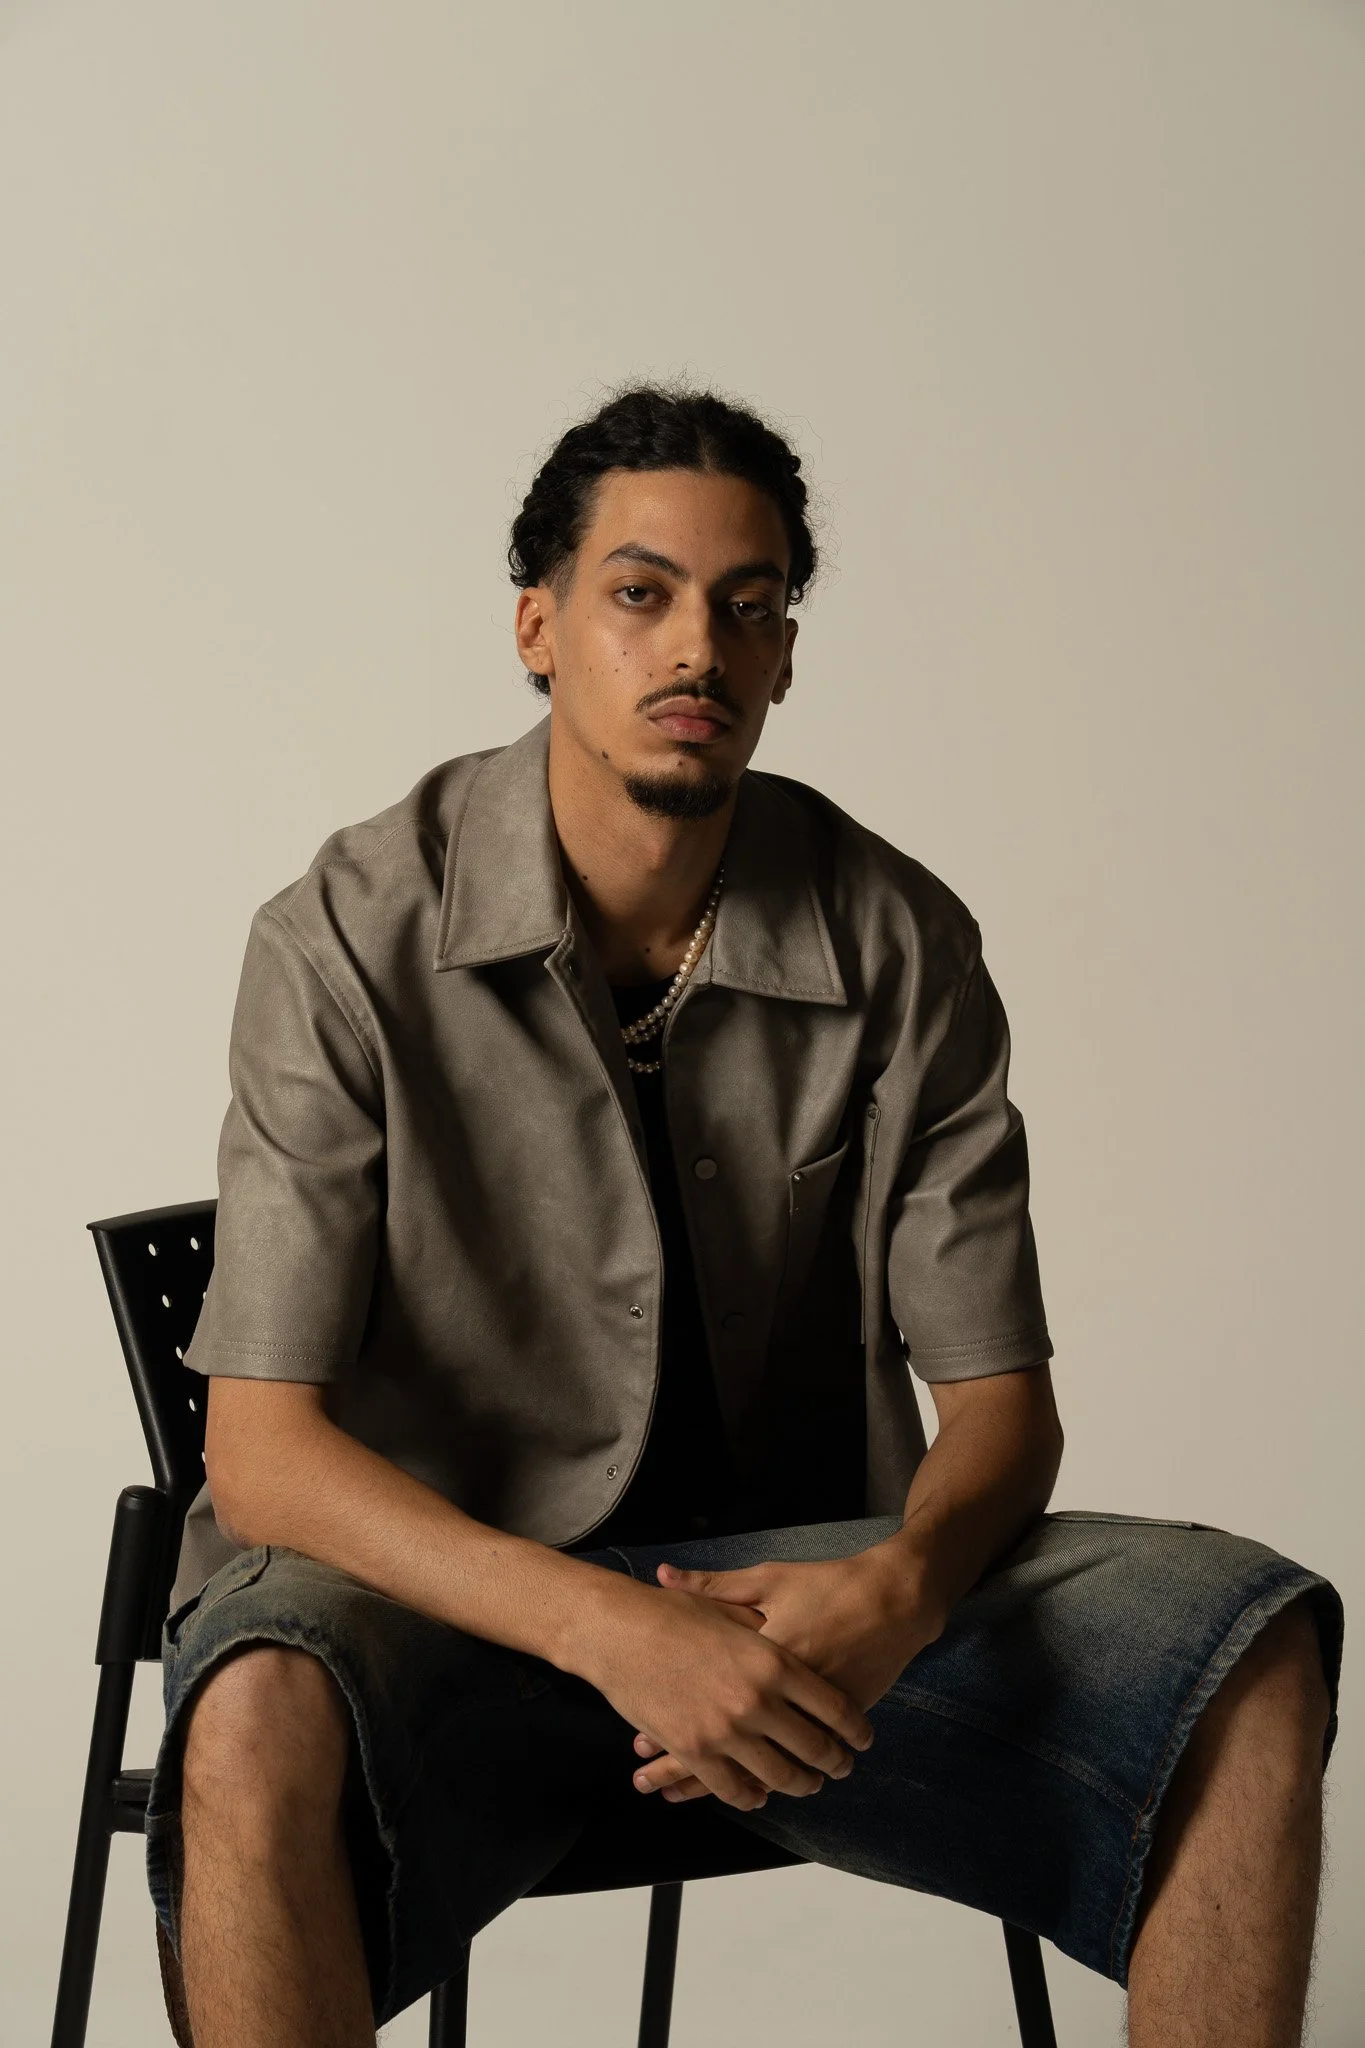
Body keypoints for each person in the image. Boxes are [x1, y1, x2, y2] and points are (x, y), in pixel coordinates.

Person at [146, 386, 1343, 2048]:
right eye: (639, 594)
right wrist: (611, 1628)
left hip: (796, 1619)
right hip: (436, 1615)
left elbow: (1001, 1411)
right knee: (252, 1706)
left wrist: (904, 1584)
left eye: (749, 603)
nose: (697, 646)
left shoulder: (900, 940)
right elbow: (265, 1458)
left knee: (1249, 1647)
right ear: (538, 628)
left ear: (786, 654)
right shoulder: (343, 936)